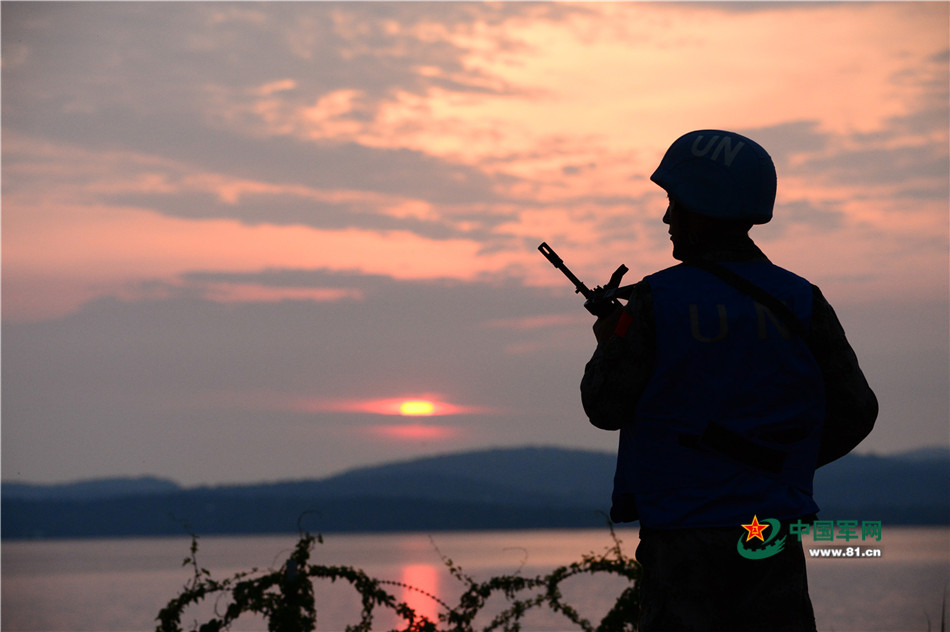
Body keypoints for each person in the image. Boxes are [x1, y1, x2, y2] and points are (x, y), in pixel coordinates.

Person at [580, 129, 878, 631]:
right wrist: (775, 466)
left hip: (680, 537)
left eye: (675, 203)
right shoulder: (801, 300)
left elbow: (604, 406)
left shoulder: (658, 301)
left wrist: (609, 338)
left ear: (704, 207)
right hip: (769, 533)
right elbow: (855, 412)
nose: (667, 217)